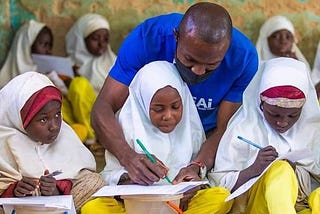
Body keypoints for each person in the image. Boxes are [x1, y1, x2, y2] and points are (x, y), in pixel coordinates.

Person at [91, 2, 258, 186]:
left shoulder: (243, 58)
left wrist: (198, 166)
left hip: (204, 142)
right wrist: (128, 157)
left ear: (226, 51)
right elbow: (103, 107)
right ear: (176, 36)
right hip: (144, 136)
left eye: (211, 65)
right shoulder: (148, 39)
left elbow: (224, 129)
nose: (198, 71)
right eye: (189, 59)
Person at [82, 61, 233, 213]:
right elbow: (110, 177)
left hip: (179, 207)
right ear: (143, 103)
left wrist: (194, 181)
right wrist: (128, 179)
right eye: (158, 109)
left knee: (220, 197)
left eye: (175, 107)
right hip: (137, 207)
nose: (168, 116)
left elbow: (200, 174)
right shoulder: (127, 127)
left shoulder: (190, 127)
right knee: (94, 208)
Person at [209, 57, 320, 213]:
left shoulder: (314, 130)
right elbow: (219, 186)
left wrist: (299, 172)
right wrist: (254, 169)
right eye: (274, 114)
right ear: (260, 103)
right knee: (280, 169)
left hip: (303, 205)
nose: (282, 122)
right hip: (258, 206)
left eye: (293, 115)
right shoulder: (243, 131)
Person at [0, 71, 105, 212]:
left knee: (96, 192)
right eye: (43, 119)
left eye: (57, 114)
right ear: (20, 119)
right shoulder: (4, 142)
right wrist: (15, 191)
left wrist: (57, 188)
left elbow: (85, 179)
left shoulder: (65, 137)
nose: (55, 126)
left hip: (63, 203)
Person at [0, 19, 95, 143]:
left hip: (61, 124)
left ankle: (88, 135)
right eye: (43, 45)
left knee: (78, 86)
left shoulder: (49, 71)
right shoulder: (8, 80)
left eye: (50, 45)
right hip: (35, 133)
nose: (48, 50)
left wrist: (66, 81)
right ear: (27, 45)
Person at [65, 13, 117, 95]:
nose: (101, 44)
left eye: (105, 39)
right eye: (95, 38)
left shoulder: (115, 64)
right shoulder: (68, 67)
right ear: (81, 40)